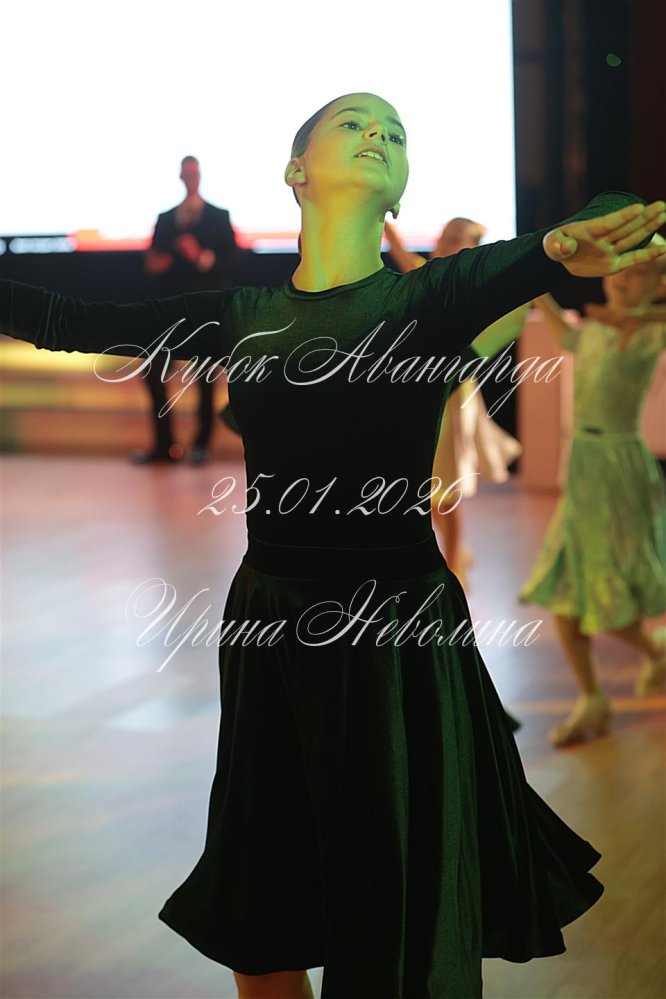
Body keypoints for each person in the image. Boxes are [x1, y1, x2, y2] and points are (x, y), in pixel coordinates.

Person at [1, 92, 665, 999]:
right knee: (264, 911)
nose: (377, 134)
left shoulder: (431, 298)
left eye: (395, 132)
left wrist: (571, 240)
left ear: (400, 190)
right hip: (270, 625)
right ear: (296, 171)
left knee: (391, 908)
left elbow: (581, 227)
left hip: (396, 634)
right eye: (353, 123)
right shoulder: (240, 313)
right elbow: (68, 322)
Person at [520, 247, 666, 748]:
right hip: (583, 469)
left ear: (658, 286)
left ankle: (656, 650)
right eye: (620, 269)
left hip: (619, 469)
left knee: (607, 594)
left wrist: (644, 313)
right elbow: (565, 332)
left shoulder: (650, 332)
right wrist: (536, 288)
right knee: (565, 594)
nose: (624, 280)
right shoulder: (595, 329)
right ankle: (593, 699)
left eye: (641, 273)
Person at [384, 217, 523, 586]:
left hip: (453, 395)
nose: (446, 244)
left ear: (472, 250)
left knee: (444, 488)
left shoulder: (473, 287)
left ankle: (454, 561)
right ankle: (454, 552)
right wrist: (383, 221)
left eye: (456, 240)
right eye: (445, 237)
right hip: (423, 390)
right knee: (422, 487)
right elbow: (401, 254)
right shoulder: (426, 274)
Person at [136, 155, 240, 465]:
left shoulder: (218, 217)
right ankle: (165, 444)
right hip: (168, 311)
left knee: (205, 378)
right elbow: (152, 262)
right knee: (153, 371)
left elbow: (233, 262)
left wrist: (200, 256)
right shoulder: (166, 218)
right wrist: (157, 263)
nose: (191, 178)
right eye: (187, 173)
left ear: (200, 176)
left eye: (194, 173)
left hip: (203, 312)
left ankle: (201, 445)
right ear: (181, 177)